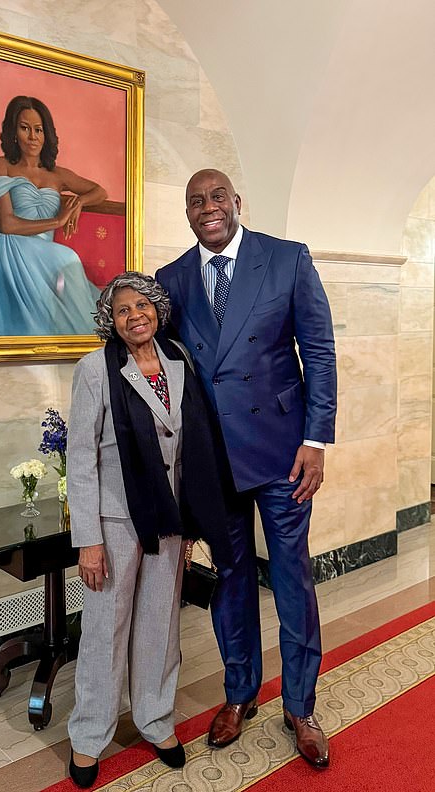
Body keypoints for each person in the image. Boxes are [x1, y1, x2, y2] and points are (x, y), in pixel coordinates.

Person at [156, 169, 337, 768]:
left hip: (284, 451)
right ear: (186, 213)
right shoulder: (172, 279)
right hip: (214, 459)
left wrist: (316, 437)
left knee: (291, 577)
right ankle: (239, 694)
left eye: (216, 197)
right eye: (195, 202)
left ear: (237, 203)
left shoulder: (286, 260)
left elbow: (317, 351)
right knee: (230, 576)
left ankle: (301, 705)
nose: (207, 208)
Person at [66, 272, 236, 788]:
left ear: (157, 310)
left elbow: (192, 447)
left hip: (169, 519)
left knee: (161, 625)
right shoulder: (95, 369)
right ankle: (89, 736)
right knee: (104, 629)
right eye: (122, 310)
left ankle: (155, 721)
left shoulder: (178, 361)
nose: (134, 315)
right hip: (115, 522)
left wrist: (190, 523)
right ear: (109, 321)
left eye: (142, 305)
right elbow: (80, 458)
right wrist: (88, 539)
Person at [0, 95, 107, 337]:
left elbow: (100, 191)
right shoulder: (1, 165)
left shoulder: (57, 174)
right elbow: (7, 224)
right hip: (5, 243)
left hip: (41, 250)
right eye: (25, 128)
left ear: (46, 134)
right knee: (66, 256)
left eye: (38, 130)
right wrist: (59, 221)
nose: (32, 136)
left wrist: (79, 202)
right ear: (13, 132)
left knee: (63, 261)